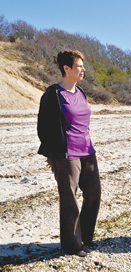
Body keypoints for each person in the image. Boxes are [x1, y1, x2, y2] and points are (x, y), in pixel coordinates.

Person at [37, 49, 101, 257]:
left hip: (87, 150)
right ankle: (72, 246)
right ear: (66, 68)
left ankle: (85, 236)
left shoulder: (80, 92)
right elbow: (43, 126)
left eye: (83, 66)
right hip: (66, 153)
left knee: (93, 192)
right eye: (79, 66)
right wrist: (51, 154)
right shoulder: (53, 93)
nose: (83, 69)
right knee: (69, 198)